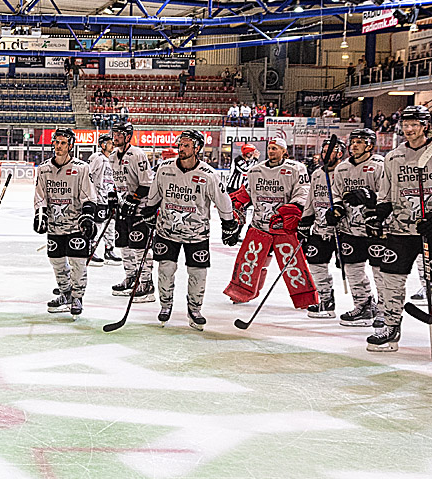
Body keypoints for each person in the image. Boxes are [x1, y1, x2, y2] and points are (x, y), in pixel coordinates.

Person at [363, 105, 432, 353]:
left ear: (425, 125)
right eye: (406, 124)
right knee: (391, 279)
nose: (409, 129)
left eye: (415, 124)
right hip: (401, 230)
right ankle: (391, 326)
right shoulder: (393, 156)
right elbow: (386, 194)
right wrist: (379, 214)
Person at [140, 130, 238, 330]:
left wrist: (228, 223)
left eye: (186, 145)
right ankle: (165, 305)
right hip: (167, 231)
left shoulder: (208, 174)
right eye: (180, 144)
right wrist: (149, 210)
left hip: (197, 233)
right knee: (165, 270)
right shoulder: (165, 169)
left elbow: (223, 200)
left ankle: (195, 309)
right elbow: (154, 194)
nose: (181, 148)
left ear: (197, 148)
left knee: (198, 273)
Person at [224, 137, 318, 310]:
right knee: (251, 261)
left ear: (284, 151)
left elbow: (303, 192)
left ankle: (305, 299)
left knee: (294, 264)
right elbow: (247, 192)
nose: (271, 151)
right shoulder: (256, 171)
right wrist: (236, 203)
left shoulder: (296, 169)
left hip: (284, 227)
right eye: (270, 148)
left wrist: (293, 210)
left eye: (275, 148)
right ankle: (241, 292)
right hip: (260, 226)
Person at [33, 128, 97, 316]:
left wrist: (87, 216)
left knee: (78, 263)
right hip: (55, 225)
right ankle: (65, 292)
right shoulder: (44, 169)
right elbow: (40, 195)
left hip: (76, 225)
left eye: (62, 143)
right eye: (56, 142)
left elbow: (88, 195)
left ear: (70, 145)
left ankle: (77, 297)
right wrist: (40, 215)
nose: (58, 146)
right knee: (57, 262)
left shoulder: (81, 168)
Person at [328, 128, 385, 327]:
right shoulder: (342, 168)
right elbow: (336, 192)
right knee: (352, 269)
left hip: (376, 228)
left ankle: (385, 310)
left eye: (359, 142)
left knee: (380, 271)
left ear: (369, 144)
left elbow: (388, 194)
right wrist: (335, 208)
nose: (354, 145)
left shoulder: (380, 165)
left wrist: (370, 198)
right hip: (350, 228)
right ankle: (363, 304)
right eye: (352, 141)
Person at [108, 120, 155, 302]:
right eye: (114, 133)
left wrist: (132, 199)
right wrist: (113, 196)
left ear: (128, 136)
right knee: (123, 246)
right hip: (123, 207)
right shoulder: (112, 156)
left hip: (139, 208)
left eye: (119, 134)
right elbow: (114, 181)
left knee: (139, 247)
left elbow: (147, 183)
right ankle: (131, 278)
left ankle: (146, 283)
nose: (115, 137)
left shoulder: (138, 154)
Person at [300, 137, 345, 318]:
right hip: (320, 229)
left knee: (352, 269)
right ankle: (326, 300)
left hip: (343, 230)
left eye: (329, 151)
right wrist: (305, 220)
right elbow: (311, 198)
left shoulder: (346, 170)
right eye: (323, 150)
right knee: (316, 263)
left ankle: (366, 303)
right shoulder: (318, 173)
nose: (324, 154)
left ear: (339, 153)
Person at [88, 133, 121, 265]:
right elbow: (87, 174)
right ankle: (91, 249)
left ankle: (109, 250)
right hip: (98, 198)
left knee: (111, 225)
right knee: (98, 225)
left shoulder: (114, 159)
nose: (112, 145)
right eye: (110, 143)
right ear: (102, 145)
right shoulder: (97, 157)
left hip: (110, 199)